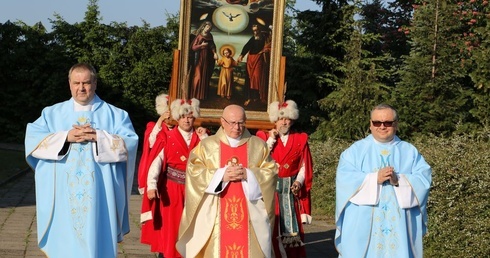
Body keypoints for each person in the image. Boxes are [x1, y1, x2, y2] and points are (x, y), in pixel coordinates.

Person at [24, 63, 138, 258]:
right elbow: (33, 140)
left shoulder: (116, 115)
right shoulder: (51, 113)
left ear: (95, 83)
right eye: (76, 83)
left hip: (100, 195)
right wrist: (65, 137)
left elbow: (130, 143)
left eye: (86, 82)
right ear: (69, 84)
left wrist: (99, 137)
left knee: (96, 240)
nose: (81, 88)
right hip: (63, 195)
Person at [177, 104, 278, 257]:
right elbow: (194, 171)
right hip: (216, 215)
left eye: (241, 122)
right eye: (232, 122)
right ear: (222, 122)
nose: (237, 127)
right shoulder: (207, 145)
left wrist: (248, 174)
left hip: (249, 216)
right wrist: (220, 176)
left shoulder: (258, 145)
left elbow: (270, 172)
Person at [335, 104, 432, 258]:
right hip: (363, 226)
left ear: (396, 124)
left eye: (387, 123)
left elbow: (424, 180)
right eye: (377, 123)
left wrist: (398, 180)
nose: (382, 127)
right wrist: (374, 179)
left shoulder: (409, 151)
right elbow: (344, 180)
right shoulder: (355, 151)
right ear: (370, 124)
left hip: (399, 227)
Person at [140, 98, 208, 257]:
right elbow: (156, 163)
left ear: (195, 117)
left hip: (195, 191)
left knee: (193, 227)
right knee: (172, 226)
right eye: (183, 116)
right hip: (172, 190)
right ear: (177, 117)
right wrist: (151, 185)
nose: (186, 120)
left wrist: (204, 137)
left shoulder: (202, 138)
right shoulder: (168, 137)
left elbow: (212, 158)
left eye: (190, 116)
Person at [256, 100, 313, 258]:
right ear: (275, 119)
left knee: (292, 233)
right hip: (270, 193)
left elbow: (304, 165)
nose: (284, 122)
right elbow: (259, 159)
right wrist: (271, 139)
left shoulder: (300, 139)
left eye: (287, 118)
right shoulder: (262, 137)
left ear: (292, 119)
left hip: (289, 192)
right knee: (270, 230)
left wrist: (298, 182)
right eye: (281, 118)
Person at [237, 24, 271, 106]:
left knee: (256, 77)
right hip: (251, 59)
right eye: (254, 31)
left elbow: (270, 45)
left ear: (259, 30)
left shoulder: (264, 37)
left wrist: (264, 50)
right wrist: (241, 55)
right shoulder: (253, 38)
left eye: (256, 30)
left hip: (259, 59)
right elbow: (247, 46)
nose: (255, 32)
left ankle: (258, 96)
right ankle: (249, 98)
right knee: (249, 78)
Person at [190, 21, 218, 100]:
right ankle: (194, 94)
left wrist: (215, 53)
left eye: (210, 28)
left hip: (206, 58)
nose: (208, 29)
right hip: (198, 58)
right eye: (207, 27)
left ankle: (201, 96)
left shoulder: (210, 36)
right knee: (198, 76)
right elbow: (193, 47)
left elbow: (212, 45)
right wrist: (201, 45)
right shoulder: (199, 36)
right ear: (203, 27)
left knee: (204, 76)